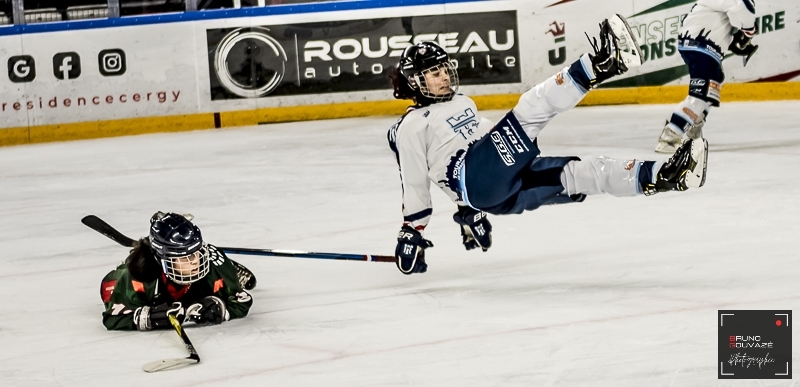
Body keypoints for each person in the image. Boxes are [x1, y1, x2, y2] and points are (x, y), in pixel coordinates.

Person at [387, 15, 709, 275]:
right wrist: (412, 231)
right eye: (432, 73)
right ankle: (600, 64)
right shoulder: (412, 125)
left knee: (584, 173)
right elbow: (417, 181)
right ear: (415, 80)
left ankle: (666, 175)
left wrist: (468, 213)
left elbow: (471, 149)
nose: (443, 77)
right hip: (477, 178)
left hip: (496, 190)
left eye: (444, 69)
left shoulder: (463, 102)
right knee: (529, 109)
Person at [100, 212, 255, 331]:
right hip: (133, 278)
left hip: (215, 269)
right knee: (107, 289)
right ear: (163, 260)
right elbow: (113, 318)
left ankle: (231, 266)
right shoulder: (139, 276)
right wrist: (151, 317)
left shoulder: (214, 263)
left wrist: (220, 307)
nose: (194, 262)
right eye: (183, 258)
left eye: (195, 253)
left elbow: (242, 301)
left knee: (220, 272)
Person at [654, 0, 757, 153]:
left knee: (714, 83)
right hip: (701, 44)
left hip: (698, 43)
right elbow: (742, 6)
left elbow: (718, 20)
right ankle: (671, 135)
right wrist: (749, 31)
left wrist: (735, 39)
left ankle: (692, 129)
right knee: (701, 94)